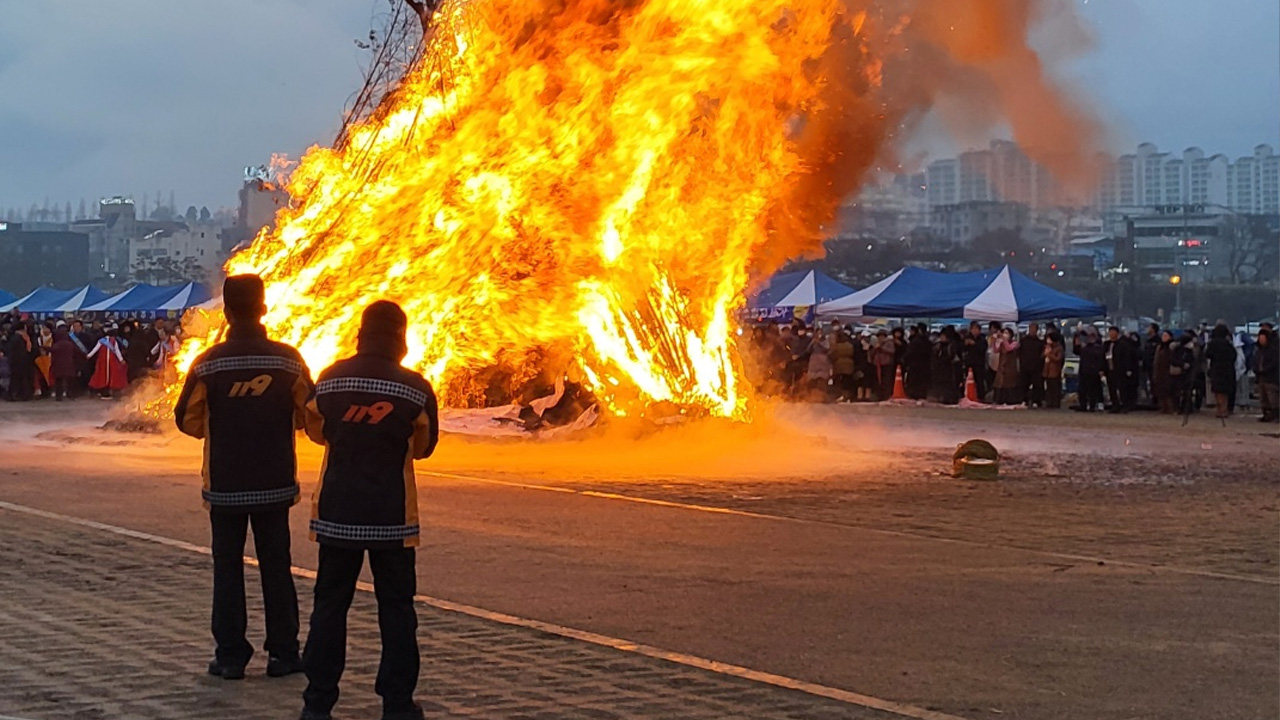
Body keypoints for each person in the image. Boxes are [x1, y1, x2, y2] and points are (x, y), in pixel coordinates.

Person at [299, 301, 439, 720]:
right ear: (401, 338)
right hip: (391, 518)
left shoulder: (330, 379)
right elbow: (424, 446)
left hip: (337, 514)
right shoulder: (415, 388)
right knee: (397, 610)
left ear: (361, 334)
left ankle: (318, 702)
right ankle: (397, 703)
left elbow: (316, 430)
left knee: (329, 606)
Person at [174, 275, 314, 681]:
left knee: (227, 568)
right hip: (274, 482)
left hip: (226, 486)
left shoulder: (209, 362)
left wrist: (223, 428)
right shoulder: (288, 360)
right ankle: (284, 653)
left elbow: (187, 419)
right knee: (277, 566)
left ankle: (231, 656)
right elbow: (309, 414)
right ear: (264, 308)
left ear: (228, 313)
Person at [87, 325, 129, 399]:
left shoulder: (101, 341)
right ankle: (106, 392)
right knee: (110, 376)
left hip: (102, 362)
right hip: (111, 362)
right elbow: (117, 351)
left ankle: (99, 391)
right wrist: (121, 360)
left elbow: (95, 349)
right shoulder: (114, 341)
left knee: (100, 375)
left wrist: (89, 355)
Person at [1204, 324, 1237, 420]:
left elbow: (1207, 354)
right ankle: (1224, 410)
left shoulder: (1212, 343)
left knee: (1217, 391)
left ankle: (1219, 409)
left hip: (1216, 368)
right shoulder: (1228, 344)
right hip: (1227, 369)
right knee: (1225, 391)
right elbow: (1234, 356)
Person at [1103, 326, 1138, 413]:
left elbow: (1127, 357)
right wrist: (1102, 369)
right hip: (1109, 369)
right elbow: (1102, 356)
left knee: (1123, 388)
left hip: (1120, 370)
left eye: (1113, 332)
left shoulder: (1123, 344)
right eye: (1110, 332)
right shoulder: (1106, 344)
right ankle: (1115, 405)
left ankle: (1125, 405)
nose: (1111, 334)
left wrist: (1128, 369)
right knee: (1112, 388)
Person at [930, 326, 963, 405]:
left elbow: (951, 356)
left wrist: (941, 361)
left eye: (943, 336)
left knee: (949, 385)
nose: (941, 337)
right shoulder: (939, 346)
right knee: (943, 384)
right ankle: (943, 397)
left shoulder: (952, 345)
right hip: (941, 369)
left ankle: (950, 399)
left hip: (950, 369)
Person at [1075, 328, 1105, 412]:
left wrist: (1100, 369)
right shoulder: (1085, 348)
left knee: (1092, 389)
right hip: (1084, 371)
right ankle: (1084, 405)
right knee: (1082, 389)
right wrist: (1076, 337)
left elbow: (1100, 360)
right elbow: (1076, 351)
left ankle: (1092, 405)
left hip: (1092, 371)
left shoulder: (1097, 348)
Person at [991, 327, 1020, 405]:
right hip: (1002, 366)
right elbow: (995, 350)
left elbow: (1008, 348)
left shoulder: (1015, 343)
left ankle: (1010, 400)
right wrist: (994, 341)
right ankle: (999, 399)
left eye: (1007, 333)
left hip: (1010, 367)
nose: (1005, 334)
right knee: (1000, 383)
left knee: (1010, 383)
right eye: (1004, 333)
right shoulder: (1001, 343)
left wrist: (1004, 339)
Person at [5, 323, 34, 402]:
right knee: (18, 379)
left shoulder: (18, 337)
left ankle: (18, 395)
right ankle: (17, 395)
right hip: (19, 362)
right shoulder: (19, 338)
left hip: (18, 362)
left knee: (17, 379)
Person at [1255, 328, 1278, 423]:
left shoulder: (1273, 351)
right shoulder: (1258, 351)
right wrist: (1256, 369)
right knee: (1263, 397)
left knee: (1273, 397)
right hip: (1260, 377)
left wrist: (1265, 369)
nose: (1261, 340)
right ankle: (1266, 415)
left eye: (1263, 338)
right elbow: (1255, 361)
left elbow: (1274, 363)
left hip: (1271, 378)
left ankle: (1276, 415)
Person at [903, 324, 932, 400]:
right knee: (922, 382)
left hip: (914, 365)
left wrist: (905, 360)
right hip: (925, 365)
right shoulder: (927, 341)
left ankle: (913, 395)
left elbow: (910, 353)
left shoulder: (915, 341)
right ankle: (921, 395)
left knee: (913, 381)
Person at [1019, 323, 1045, 407]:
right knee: (1024, 384)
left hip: (1036, 367)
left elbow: (1042, 355)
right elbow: (1019, 353)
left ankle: (1036, 401)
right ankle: (1024, 400)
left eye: (1034, 329)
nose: (1032, 330)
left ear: (1037, 330)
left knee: (1037, 384)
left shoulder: (1040, 342)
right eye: (1031, 328)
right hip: (1025, 366)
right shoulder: (1023, 340)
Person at [49, 325, 78, 402]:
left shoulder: (57, 344)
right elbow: (76, 352)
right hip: (70, 364)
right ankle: (70, 394)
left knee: (59, 381)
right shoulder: (70, 344)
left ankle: (59, 396)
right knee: (70, 381)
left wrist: (44, 348)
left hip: (58, 365)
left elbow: (53, 350)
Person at [828, 328, 857, 402]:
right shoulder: (850, 345)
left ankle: (842, 395)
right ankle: (848, 396)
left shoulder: (837, 346)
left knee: (840, 382)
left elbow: (831, 355)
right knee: (848, 381)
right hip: (849, 365)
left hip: (839, 365)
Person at [962, 322, 988, 403]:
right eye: (973, 329)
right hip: (969, 363)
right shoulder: (967, 338)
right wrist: (965, 344)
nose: (974, 330)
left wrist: (974, 344)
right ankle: (968, 396)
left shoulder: (982, 339)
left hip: (979, 363)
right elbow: (962, 349)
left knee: (979, 381)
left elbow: (983, 349)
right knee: (968, 380)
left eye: (976, 329)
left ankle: (981, 397)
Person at [804, 328, 832, 401]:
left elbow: (827, 348)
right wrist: (812, 342)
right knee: (813, 380)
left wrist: (819, 342)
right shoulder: (813, 341)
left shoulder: (825, 341)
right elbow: (808, 350)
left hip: (823, 361)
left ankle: (822, 397)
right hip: (814, 362)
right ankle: (813, 397)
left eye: (820, 333)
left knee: (822, 380)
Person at [1152, 330, 1175, 414]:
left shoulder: (1172, 346)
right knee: (1160, 389)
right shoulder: (1159, 347)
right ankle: (1163, 407)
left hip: (1168, 371)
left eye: (1166, 336)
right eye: (1163, 336)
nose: (1163, 337)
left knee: (1169, 390)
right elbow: (1156, 360)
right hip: (1159, 370)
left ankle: (1171, 407)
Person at [1042, 330, 1065, 409]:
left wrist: (1049, 355)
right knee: (1049, 388)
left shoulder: (1059, 348)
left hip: (1055, 370)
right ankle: (1049, 402)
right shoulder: (1047, 347)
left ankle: (1055, 403)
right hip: (1047, 370)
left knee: (1055, 388)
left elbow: (1058, 359)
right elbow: (1042, 356)